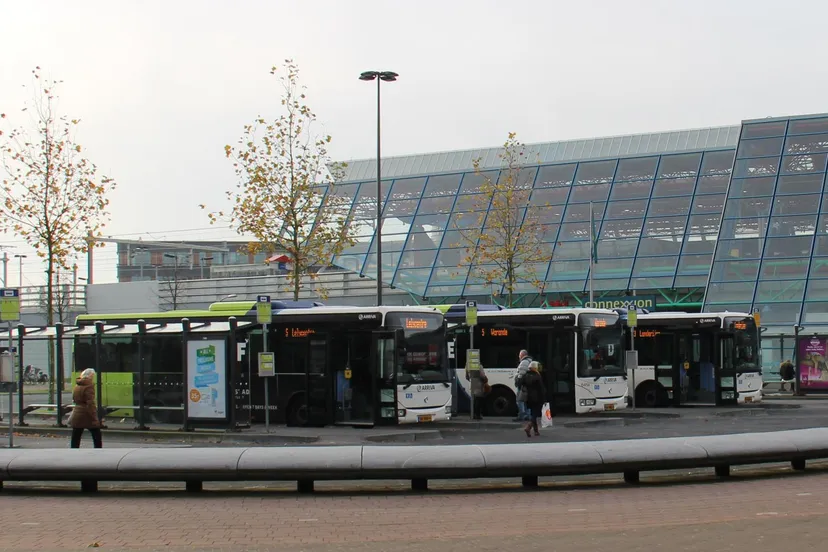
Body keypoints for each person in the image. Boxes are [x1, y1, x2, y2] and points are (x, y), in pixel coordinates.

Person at [69, 368, 102, 449]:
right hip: (86, 413)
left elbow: (74, 399)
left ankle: (73, 450)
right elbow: (90, 403)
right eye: (92, 375)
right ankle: (98, 450)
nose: (93, 377)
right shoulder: (89, 386)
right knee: (96, 433)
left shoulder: (77, 385)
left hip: (77, 412)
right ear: (90, 375)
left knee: (76, 434)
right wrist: (94, 416)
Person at [522, 361, 546, 438]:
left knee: (533, 413)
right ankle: (528, 427)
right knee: (535, 414)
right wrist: (544, 399)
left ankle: (536, 431)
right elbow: (541, 389)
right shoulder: (537, 376)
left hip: (528, 398)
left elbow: (520, 384)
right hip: (537, 398)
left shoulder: (525, 375)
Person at [513, 350, 532, 422]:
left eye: (519, 355)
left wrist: (517, 381)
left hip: (522, 385)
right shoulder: (530, 361)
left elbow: (521, 373)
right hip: (527, 384)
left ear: (522, 355)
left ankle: (522, 415)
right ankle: (528, 415)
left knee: (519, 400)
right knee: (526, 400)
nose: (519, 357)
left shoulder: (524, 362)